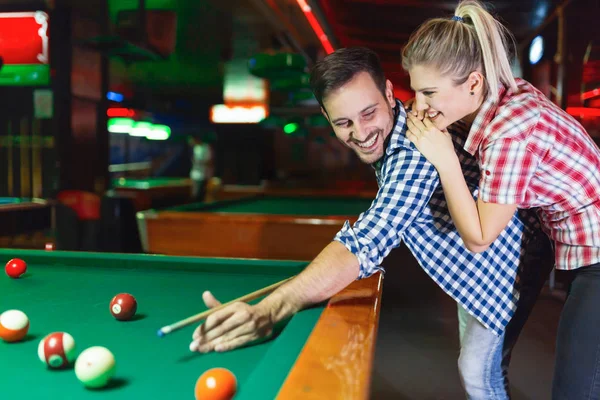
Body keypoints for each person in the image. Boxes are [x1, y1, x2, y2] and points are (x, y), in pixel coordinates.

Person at [189, 47, 553, 398]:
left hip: (511, 254)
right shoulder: (393, 133)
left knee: (477, 373)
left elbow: (367, 240)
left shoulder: (414, 149)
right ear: (326, 117)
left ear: (390, 93)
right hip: (478, 260)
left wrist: (270, 309)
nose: (361, 134)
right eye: (343, 122)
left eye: (368, 114)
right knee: (481, 367)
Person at [402, 1, 600, 398]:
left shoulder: (509, 132)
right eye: (415, 91)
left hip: (597, 252)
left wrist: (444, 160)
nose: (420, 105)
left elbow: (479, 237)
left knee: (575, 391)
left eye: (428, 93)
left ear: (473, 84)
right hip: (567, 241)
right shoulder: (503, 97)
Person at [189, 135, 214, 202]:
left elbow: (210, 161)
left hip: (204, 174)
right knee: (195, 194)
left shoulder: (206, 147)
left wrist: (200, 162)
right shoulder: (196, 148)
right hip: (195, 174)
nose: (190, 142)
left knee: (201, 193)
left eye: (191, 140)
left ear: (196, 139)